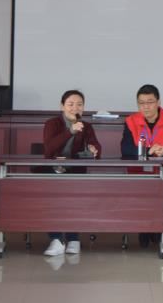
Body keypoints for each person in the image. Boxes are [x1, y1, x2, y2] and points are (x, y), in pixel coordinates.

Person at [120, 84, 163, 248]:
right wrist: (146, 150)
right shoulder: (131, 122)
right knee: (144, 192)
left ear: (158, 102)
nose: (146, 106)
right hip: (139, 177)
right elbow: (125, 149)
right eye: (141, 103)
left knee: (162, 192)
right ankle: (148, 229)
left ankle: (154, 230)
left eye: (150, 102)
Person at [42, 89, 102, 256]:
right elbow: (49, 149)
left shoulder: (87, 126)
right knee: (53, 201)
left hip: (76, 171)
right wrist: (70, 132)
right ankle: (56, 239)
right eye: (70, 104)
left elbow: (96, 147)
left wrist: (94, 149)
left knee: (76, 200)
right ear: (62, 106)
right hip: (53, 172)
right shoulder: (52, 124)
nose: (75, 108)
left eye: (79, 105)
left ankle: (73, 238)